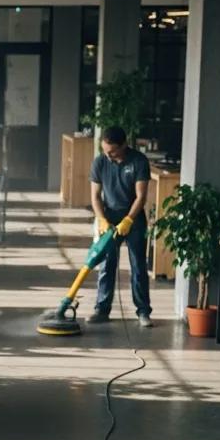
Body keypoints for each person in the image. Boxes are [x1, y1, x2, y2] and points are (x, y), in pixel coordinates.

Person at [89, 126, 153, 327]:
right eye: (105, 151)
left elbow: (141, 197)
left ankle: (143, 312)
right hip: (109, 217)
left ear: (124, 145)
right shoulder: (100, 162)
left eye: (112, 151)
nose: (108, 155)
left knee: (138, 266)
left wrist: (128, 220)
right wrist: (102, 219)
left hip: (134, 218)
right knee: (106, 264)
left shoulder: (138, 161)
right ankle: (102, 309)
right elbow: (95, 197)